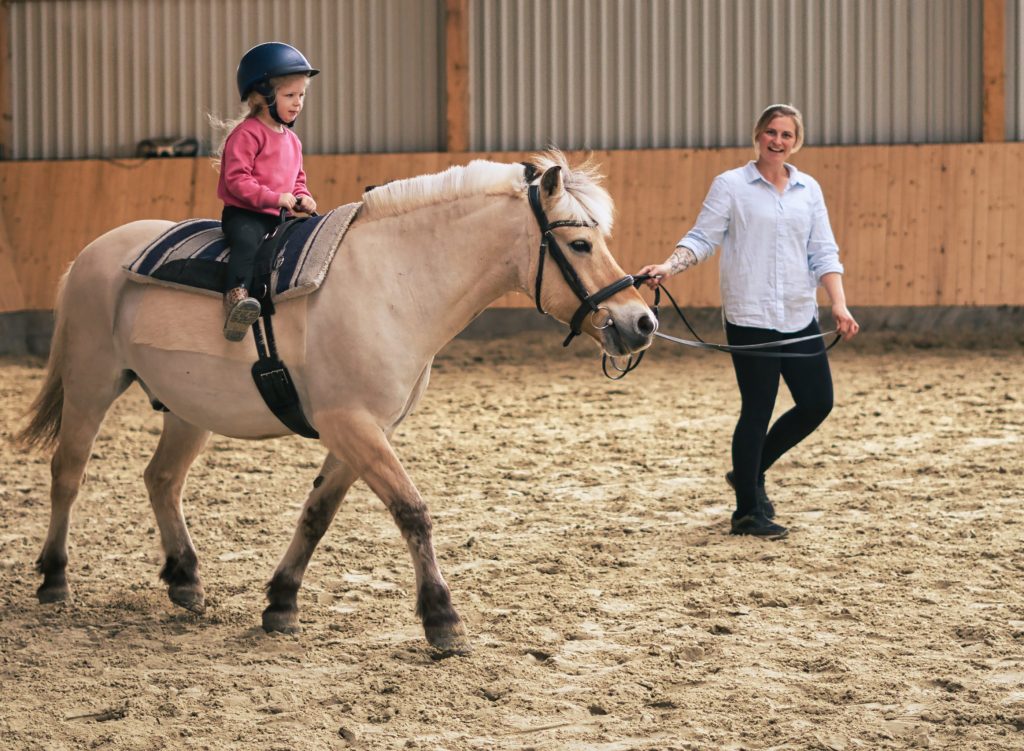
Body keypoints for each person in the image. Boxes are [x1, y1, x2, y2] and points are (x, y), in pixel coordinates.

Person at [638, 103, 859, 539]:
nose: (778, 141)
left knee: (817, 403)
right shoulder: (731, 186)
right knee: (757, 410)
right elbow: (703, 238)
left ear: (797, 141)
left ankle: (748, 473)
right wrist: (669, 266)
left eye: (787, 135)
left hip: (799, 313)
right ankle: (746, 513)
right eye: (772, 132)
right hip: (751, 315)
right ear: (758, 135)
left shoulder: (807, 189)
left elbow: (823, 251)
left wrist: (839, 303)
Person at [211, 42, 319, 341]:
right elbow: (236, 180)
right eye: (289, 95)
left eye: (301, 95)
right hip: (246, 214)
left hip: (278, 214)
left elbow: (296, 178)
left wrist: (302, 196)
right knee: (247, 243)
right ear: (262, 97)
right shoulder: (246, 135)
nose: (297, 102)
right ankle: (235, 298)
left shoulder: (292, 141)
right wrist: (274, 197)